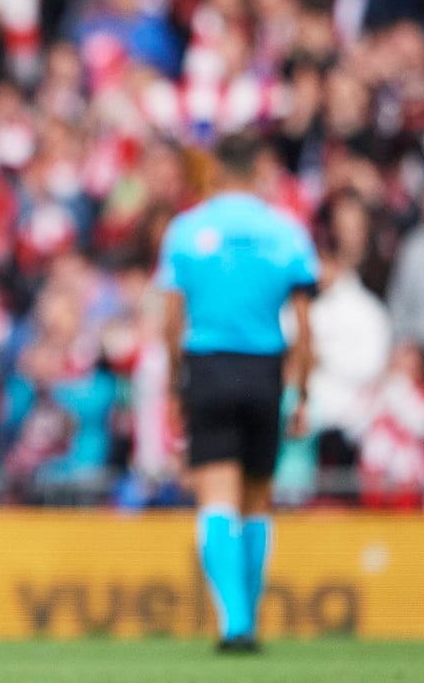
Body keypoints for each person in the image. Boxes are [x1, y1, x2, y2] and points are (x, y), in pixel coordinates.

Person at [158, 132, 318, 653]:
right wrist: (303, 392)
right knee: (256, 499)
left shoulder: (186, 230)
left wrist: (175, 382)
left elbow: (172, 318)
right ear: (258, 170)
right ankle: (247, 617)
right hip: (264, 369)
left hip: (207, 366)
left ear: (217, 171)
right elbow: (303, 323)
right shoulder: (287, 231)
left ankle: (235, 622)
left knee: (216, 497)